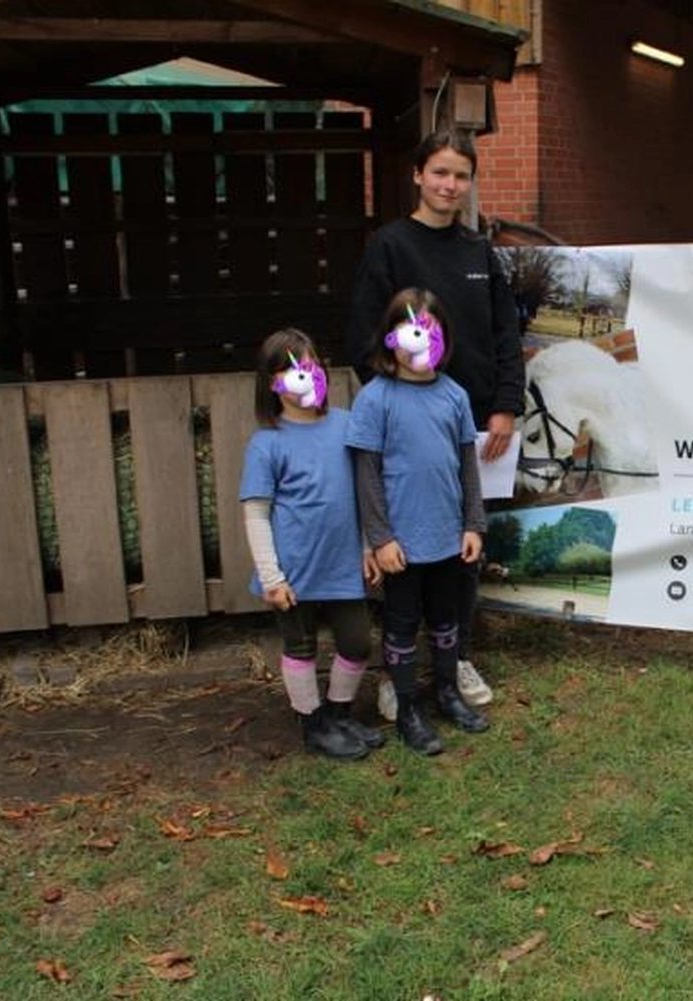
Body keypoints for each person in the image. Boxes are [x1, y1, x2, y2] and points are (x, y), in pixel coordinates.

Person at [345, 129, 525, 712]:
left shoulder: (480, 254)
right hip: (407, 437)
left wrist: (503, 407)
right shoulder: (389, 248)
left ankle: (457, 657)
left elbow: (504, 336)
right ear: (418, 175)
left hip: (473, 427)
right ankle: (395, 670)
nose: (451, 185)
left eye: (462, 175)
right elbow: (362, 337)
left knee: (461, 549)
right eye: (441, 172)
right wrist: (399, 409)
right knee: (401, 555)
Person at [346, 288, 490, 755]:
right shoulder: (375, 399)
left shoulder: (454, 396)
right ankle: (408, 707)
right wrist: (380, 537)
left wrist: (473, 523)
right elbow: (366, 474)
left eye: (430, 331)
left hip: (449, 538)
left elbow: (468, 465)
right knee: (402, 625)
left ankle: (447, 692)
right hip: (402, 545)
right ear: (391, 339)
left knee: (447, 620)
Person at [240, 328, 386, 760]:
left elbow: (361, 492)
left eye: (313, 364)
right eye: (294, 369)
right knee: (301, 647)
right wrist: (272, 575)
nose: (308, 375)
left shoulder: (344, 424)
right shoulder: (267, 443)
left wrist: (366, 548)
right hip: (294, 571)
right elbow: (256, 513)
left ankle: (340, 715)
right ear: (273, 383)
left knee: (357, 641)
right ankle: (314, 725)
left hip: (343, 565)